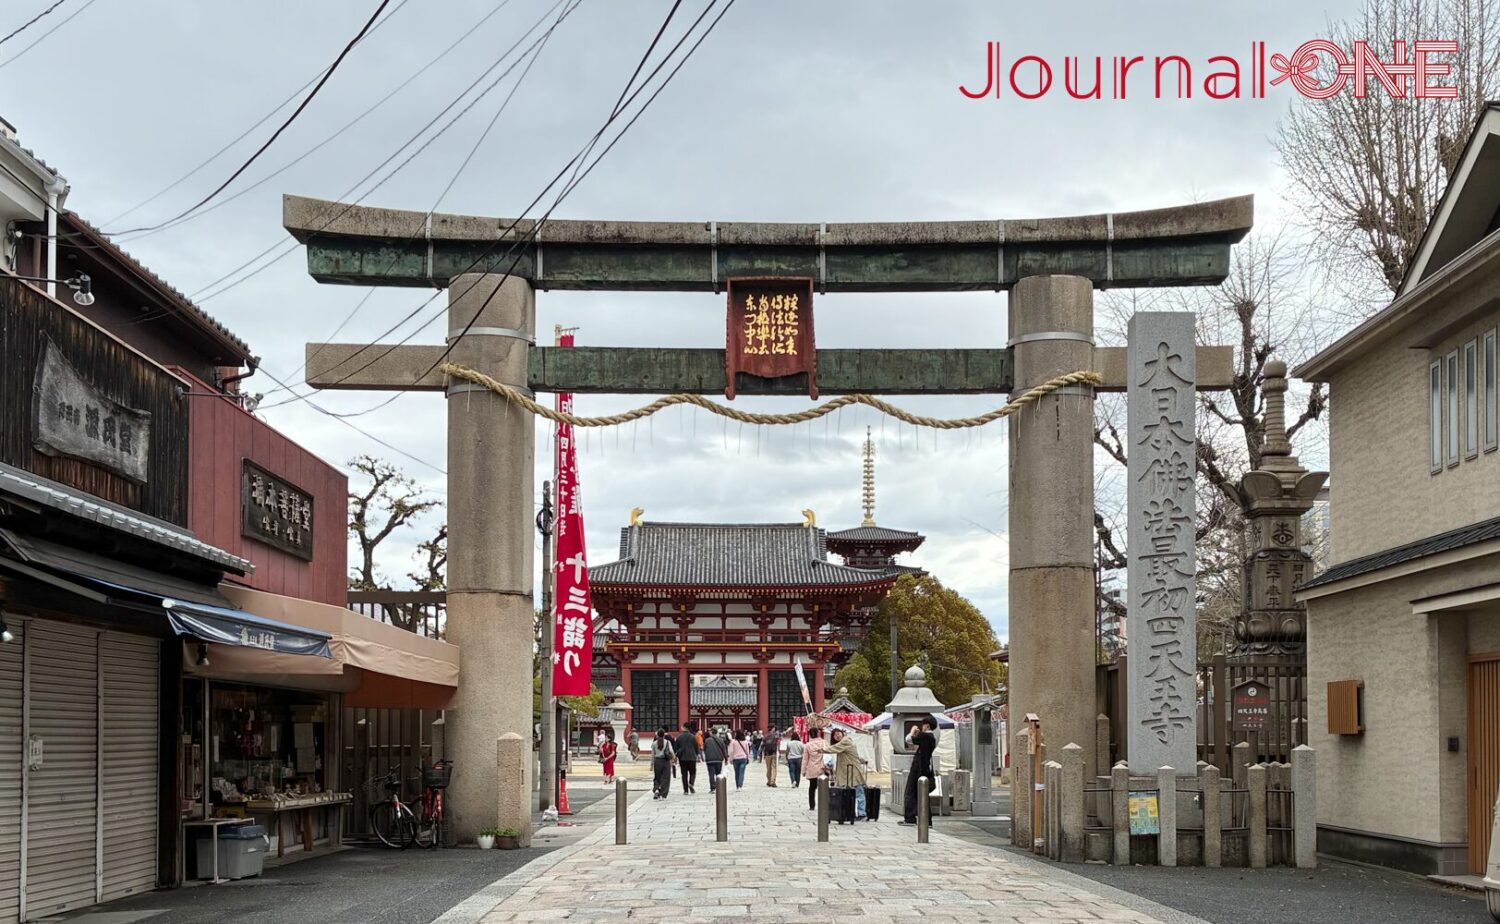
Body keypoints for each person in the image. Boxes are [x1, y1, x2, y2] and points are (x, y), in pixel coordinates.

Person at [902, 719, 938, 825]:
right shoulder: (932, 738)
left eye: (923, 725)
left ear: (927, 725)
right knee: (923, 795)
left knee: (910, 792)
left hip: (918, 768)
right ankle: (927, 820)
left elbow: (908, 739)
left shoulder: (925, 736)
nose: (922, 727)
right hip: (926, 768)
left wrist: (912, 731)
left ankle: (910, 818)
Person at [827, 727, 869, 817]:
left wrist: (822, 750)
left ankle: (861, 813)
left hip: (853, 771)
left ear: (843, 733)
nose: (837, 735)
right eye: (834, 735)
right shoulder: (843, 744)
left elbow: (833, 748)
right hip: (848, 772)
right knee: (852, 793)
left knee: (858, 792)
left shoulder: (846, 741)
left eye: (838, 733)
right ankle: (850, 812)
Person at [801, 727, 828, 810]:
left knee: (812, 788)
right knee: (824, 788)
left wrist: (803, 770)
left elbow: (805, 759)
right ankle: (824, 804)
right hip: (822, 768)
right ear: (818, 733)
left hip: (812, 768)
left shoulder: (808, 745)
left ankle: (812, 805)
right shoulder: (824, 743)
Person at [674, 721, 701, 794]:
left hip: (682, 757)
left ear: (684, 728)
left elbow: (675, 748)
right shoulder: (693, 737)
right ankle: (691, 783)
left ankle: (685, 790)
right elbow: (696, 747)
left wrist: (676, 756)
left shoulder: (679, 737)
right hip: (692, 757)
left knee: (684, 774)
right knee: (693, 772)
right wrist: (697, 755)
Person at [650, 726, 675, 800]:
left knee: (657, 777)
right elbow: (671, 751)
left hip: (657, 761)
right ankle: (663, 794)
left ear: (657, 735)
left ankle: (656, 789)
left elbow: (652, 754)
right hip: (666, 761)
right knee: (665, 778)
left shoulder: (654, 743)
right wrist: (674, 758)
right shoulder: (667, 742)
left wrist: (651, 764)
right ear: (664, 735)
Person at [702, 725, 727, 792]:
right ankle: (719, 786)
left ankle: (712, 788)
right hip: (718, 759)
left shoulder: (707, 740)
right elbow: (724, 750)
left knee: (711, 774)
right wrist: (726, 758)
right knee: (718, 774)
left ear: (711, 732)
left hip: (710, 759)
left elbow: (704, 749)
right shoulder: (721, 740)